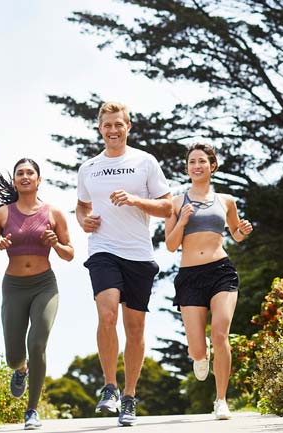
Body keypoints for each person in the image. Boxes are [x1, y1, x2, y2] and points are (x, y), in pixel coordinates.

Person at [76, 101, 173, 427]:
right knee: (106, 312)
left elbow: (167, 207)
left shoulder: (145, 162)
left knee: (135, 329)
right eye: (108, 125)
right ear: (100, 128)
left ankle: (129, 396)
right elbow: (81, 205)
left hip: (139, 254)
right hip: (103, 249)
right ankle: (110, 387)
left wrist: (134, 200)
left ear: (128, 126)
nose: (113, 130)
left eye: (119, 124)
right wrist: (84, 221)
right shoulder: (88, 167)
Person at [0, 158, 74, 430]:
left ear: (38, 179)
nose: (25, 176)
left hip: (45, 285)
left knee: (37, 343)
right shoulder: (2, 214)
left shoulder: (53, 213)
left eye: (29, 172)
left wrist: (56, 244)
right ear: (14, 181)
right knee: (13, 356)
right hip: (14, 287)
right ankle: (21, 370)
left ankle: (31, 410)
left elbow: (70, 254)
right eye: (20, 173)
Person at [164, 143, 253, 420]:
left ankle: (221, 400)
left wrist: (243, 232)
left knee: (220, 334)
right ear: (187, 167)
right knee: (197, 347)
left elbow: (235, 233)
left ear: (212, 165)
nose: (197, 166)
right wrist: (182, 221)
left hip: (221, 271)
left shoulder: (226, 200)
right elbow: (170, 245)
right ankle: (200, 357)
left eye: (202, 161)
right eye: (192, 162)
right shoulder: (176, 202)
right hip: (190, 276)